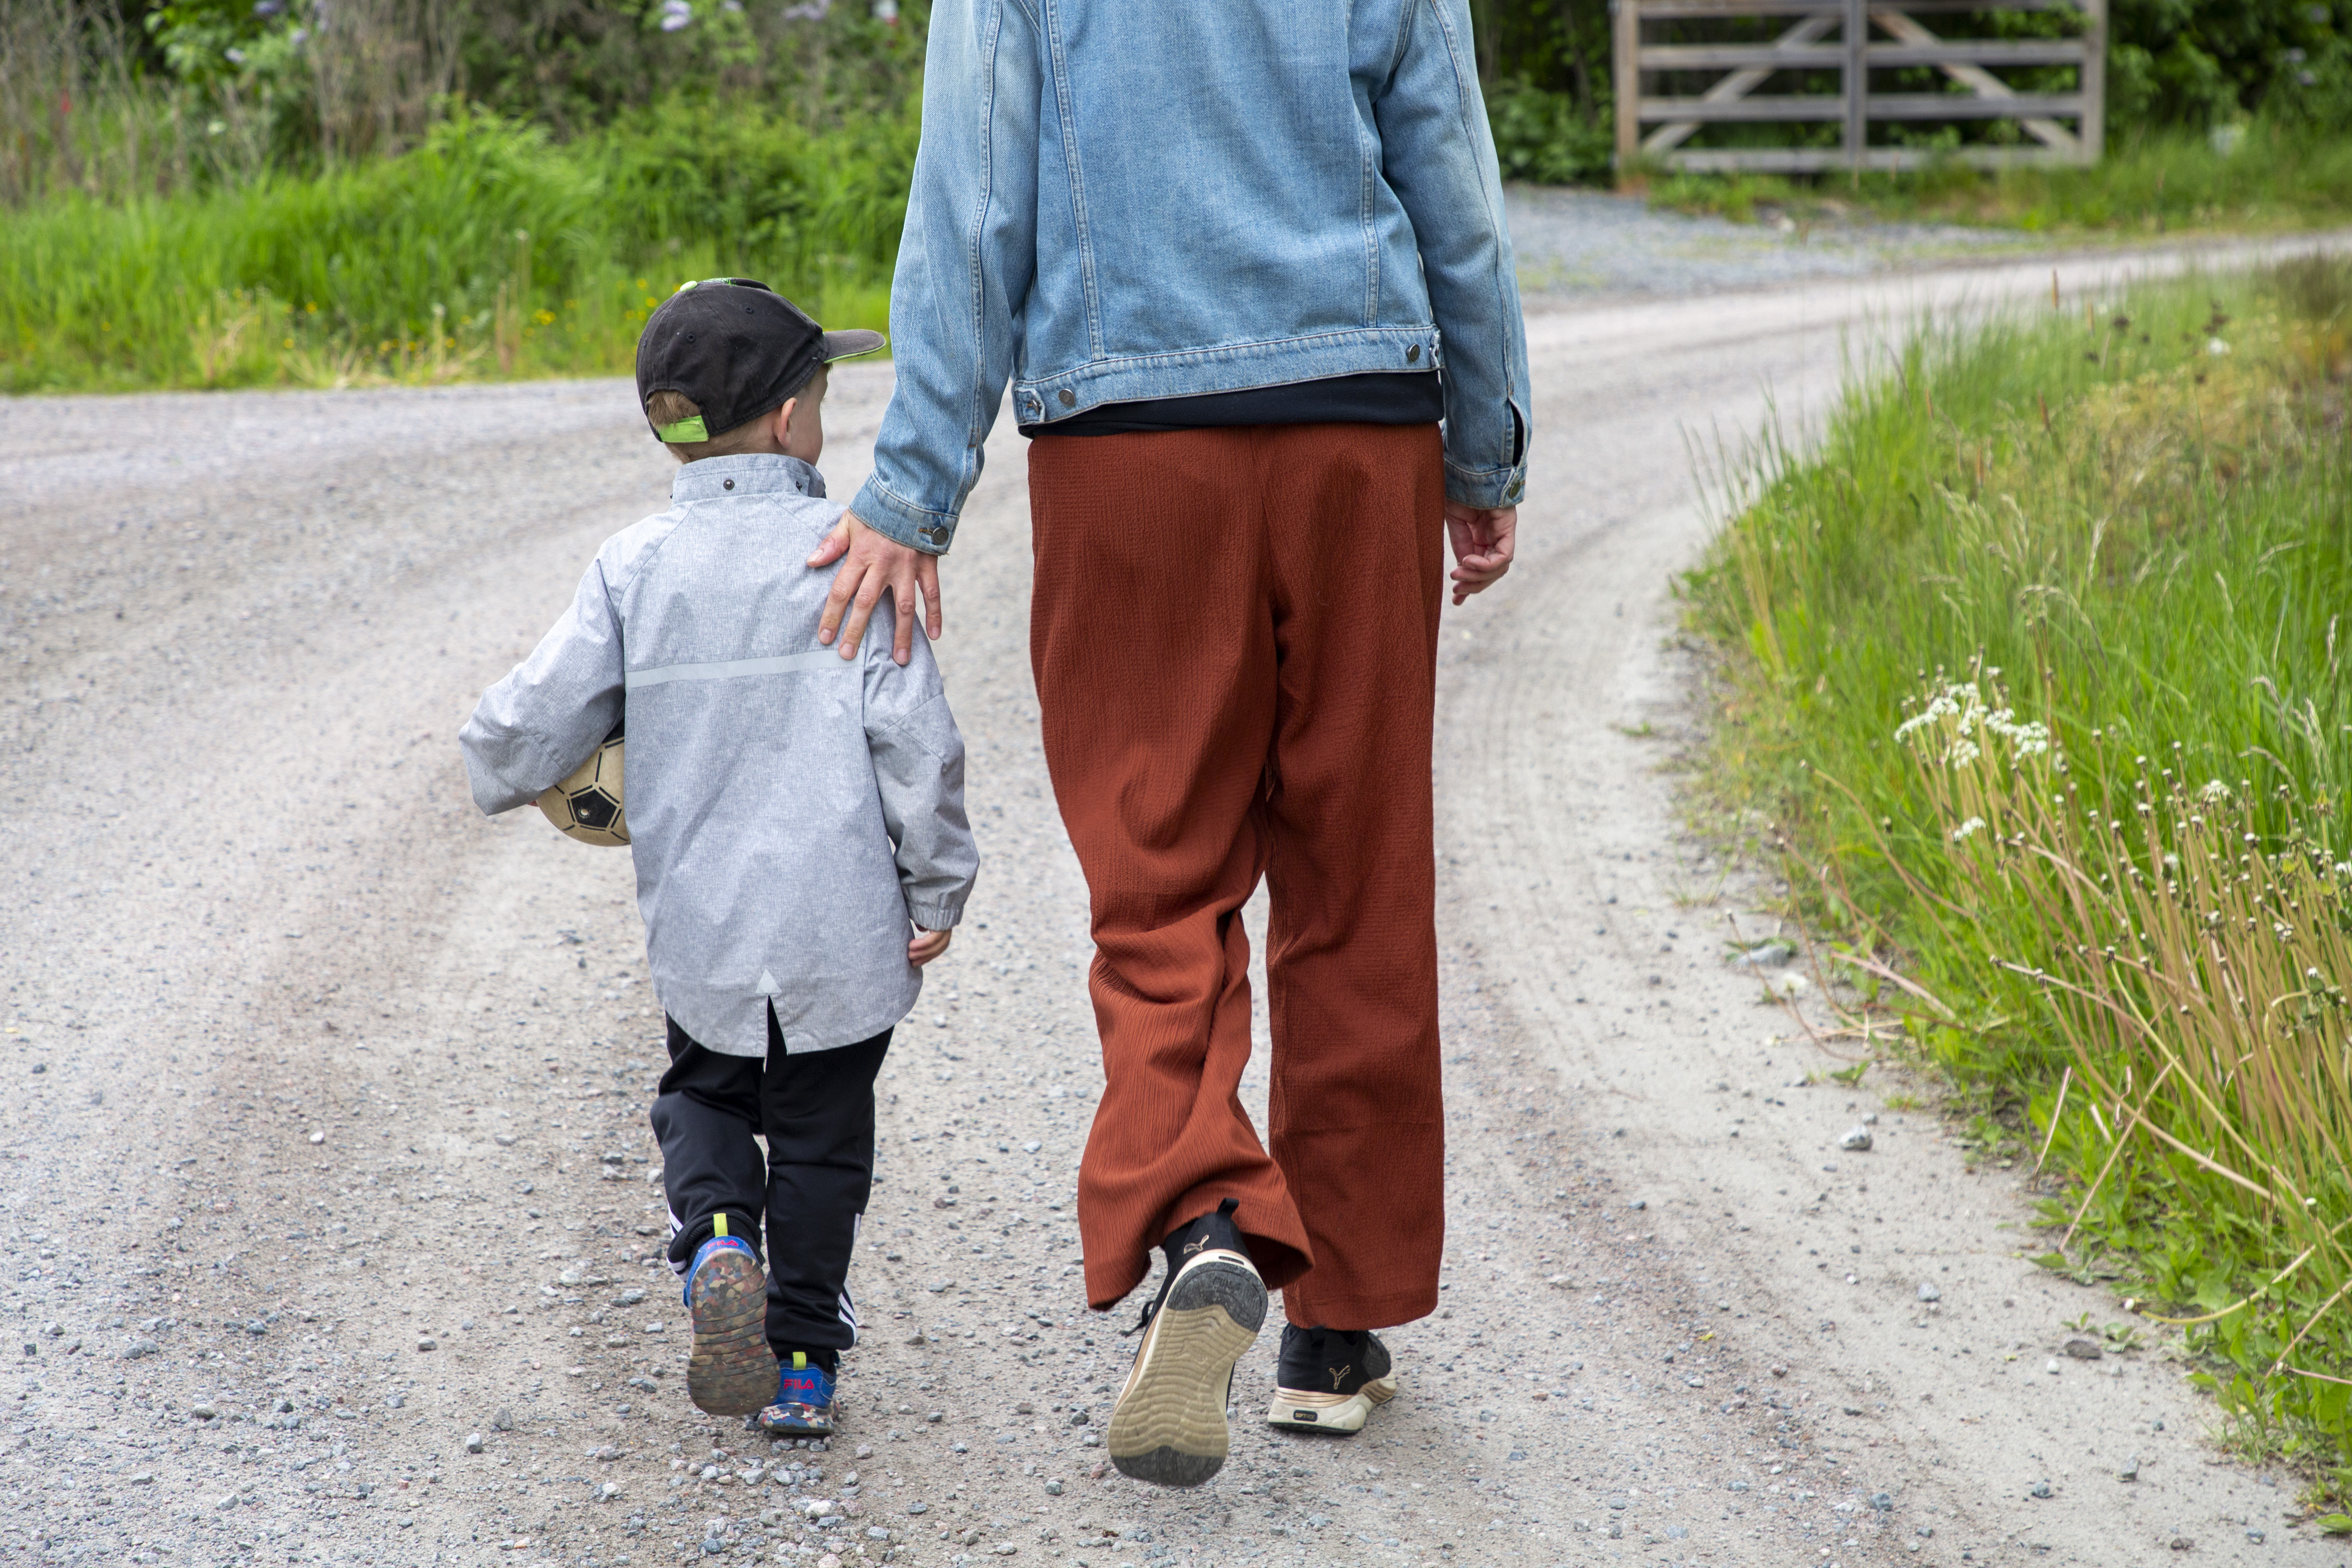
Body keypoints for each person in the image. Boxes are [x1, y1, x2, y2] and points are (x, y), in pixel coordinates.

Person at [807, 1, 1531, 1488]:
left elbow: (976, 199)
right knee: (1358, 880)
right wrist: (1484, 448)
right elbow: (1452, 181)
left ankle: (1207, 1218)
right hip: (1360, 437)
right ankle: (1335, 1331)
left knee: (1157, 878)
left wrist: (915, 486)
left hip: (1128, 449)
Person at [458, 279, 978, 1436]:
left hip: (705, 928)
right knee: (823, 1141)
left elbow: (538, 711)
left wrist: (490, 762)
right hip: (841, 927)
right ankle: (800, 1369)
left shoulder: (634, 566)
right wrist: (937, 884)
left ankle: (719, 1240)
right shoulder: (852, 556)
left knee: (701, 1093)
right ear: (793, 421)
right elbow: (917, 744)